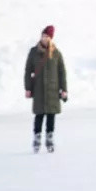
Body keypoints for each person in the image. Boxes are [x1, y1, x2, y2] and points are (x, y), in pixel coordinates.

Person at [24, 25, 68, 153]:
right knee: (39, 115)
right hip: (38, 90)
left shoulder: (56, 53)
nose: (44, 39)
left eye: (47, 37)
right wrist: (28, 88)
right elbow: (28, 71)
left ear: (51, 38)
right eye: (43, 36)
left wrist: (64, 89)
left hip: (52, 90)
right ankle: (36, 139)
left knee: (51, 116)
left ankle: (49, 139)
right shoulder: (33, 52)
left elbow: (62, 72)